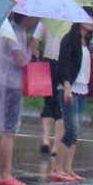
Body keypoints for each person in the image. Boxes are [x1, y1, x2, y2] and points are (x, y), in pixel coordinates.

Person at [0, 13, 37, 185]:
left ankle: (5, 173)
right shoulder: (13, 33)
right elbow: (21, 61)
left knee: (10, 129)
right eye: (31, 18)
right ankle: (5, 174)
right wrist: (32, 48)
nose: (33, 21)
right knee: (10, 130)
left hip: (9, 83)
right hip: (11, 85)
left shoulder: (13, 31)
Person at [49, 8, 93, 182]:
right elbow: (64, 65)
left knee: (75, 131)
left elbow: (83, 66)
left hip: (83, 89)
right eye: (89, 17)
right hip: (70, 89)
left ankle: (68, 169)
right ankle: (56, 169)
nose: (92, 21)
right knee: (70, 129)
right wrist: (67, 87)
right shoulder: (69, 40)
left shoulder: (87, 44)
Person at [30, 20, 64, 154]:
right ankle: (48, 141)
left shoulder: (48, 19)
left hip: (59, 62)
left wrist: (34, 50)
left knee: (56, 102)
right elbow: (35, 39)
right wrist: (34, 51)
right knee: (51, 101)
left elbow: (35, 39)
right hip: (52, 63)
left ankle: (52, 142)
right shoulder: (47, 20)